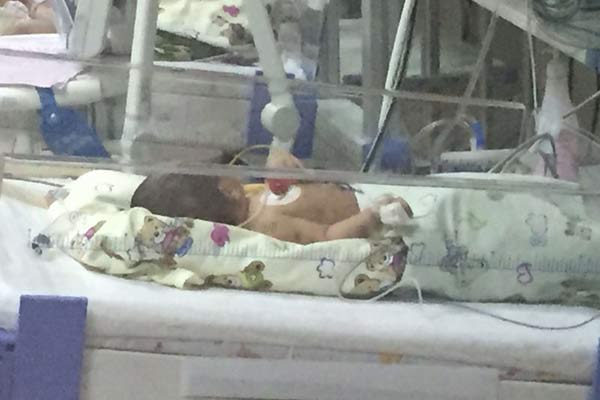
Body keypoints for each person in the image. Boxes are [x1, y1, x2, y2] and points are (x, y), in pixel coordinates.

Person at [131, 149, 413, 244]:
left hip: (370, 192)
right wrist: (372, 217)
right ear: (227, 190)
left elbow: (310, 193)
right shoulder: (267, 223)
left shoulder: (255, 197)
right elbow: (326, 237)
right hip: (390, 217)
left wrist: (285, 164)